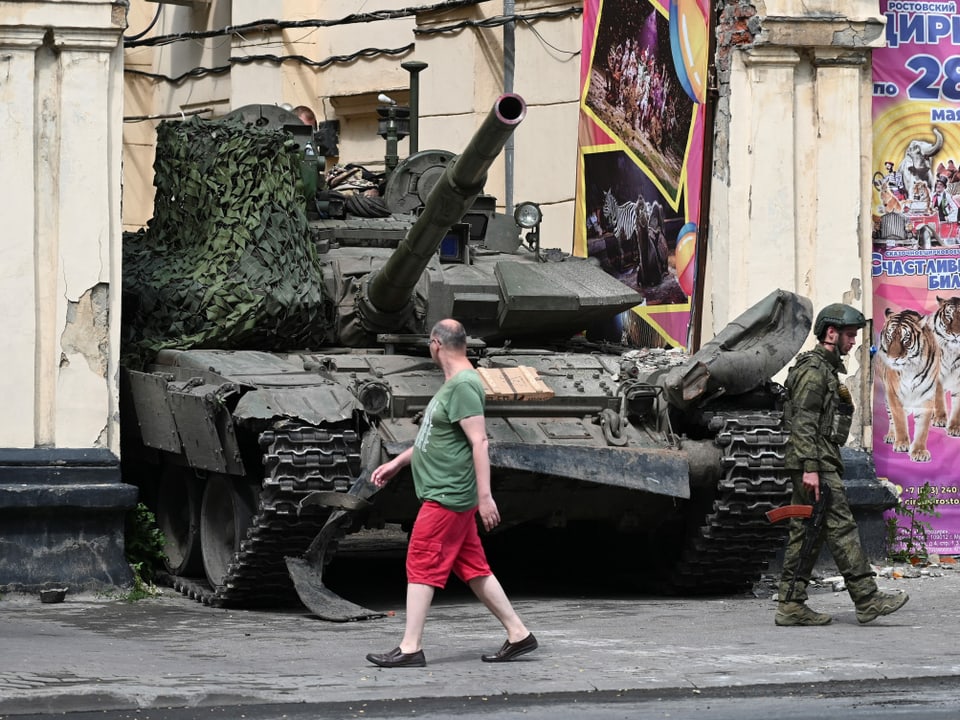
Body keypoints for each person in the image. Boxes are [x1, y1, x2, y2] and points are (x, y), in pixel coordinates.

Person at [365, 319, 537, 668]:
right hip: (448, 494)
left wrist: (485, 497)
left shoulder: (463, 386)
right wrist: (398, 463)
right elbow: (435, 437)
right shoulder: (453, 384)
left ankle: (410, 647)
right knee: (473, 567)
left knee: (420, 561)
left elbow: (479, 441)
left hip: (447, 495)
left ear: (435, 344)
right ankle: (519, 634)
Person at [775, 304, 910, 626]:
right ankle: (867, 597)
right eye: (849, 335)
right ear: (831, 333)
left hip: (818, 460)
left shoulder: (824, 369)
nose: (853, 342)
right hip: (815, 463)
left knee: (808, 533)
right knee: (842, 528)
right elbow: (803, 422)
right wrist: (810, 467)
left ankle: (791, 604)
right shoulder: (814, 371)